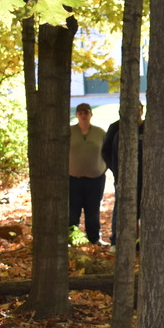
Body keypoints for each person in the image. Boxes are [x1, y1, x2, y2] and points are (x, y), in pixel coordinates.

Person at [101, 104, 144, 248]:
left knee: (144, 208)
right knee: (121, 208)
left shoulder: (148, 127)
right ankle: (116, 241)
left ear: (142, 111)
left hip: (145, 177)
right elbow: (106, 151)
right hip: (123, 177)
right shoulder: (116, 128)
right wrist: (117, 172)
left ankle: (141, 242)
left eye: (138, 110)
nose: (136, 114)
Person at [68, 103, 107, 244]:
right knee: (73, 211)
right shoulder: (69, 131)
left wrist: (103, 168)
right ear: (76, 115)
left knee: (93, 211)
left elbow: (107, 152)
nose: (83, 115)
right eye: (80, 113)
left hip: (95, 179)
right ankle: (72, 239)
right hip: (73, 179)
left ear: (91, 114)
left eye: (86, 113)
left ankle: (94, 238)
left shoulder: (100, 132)